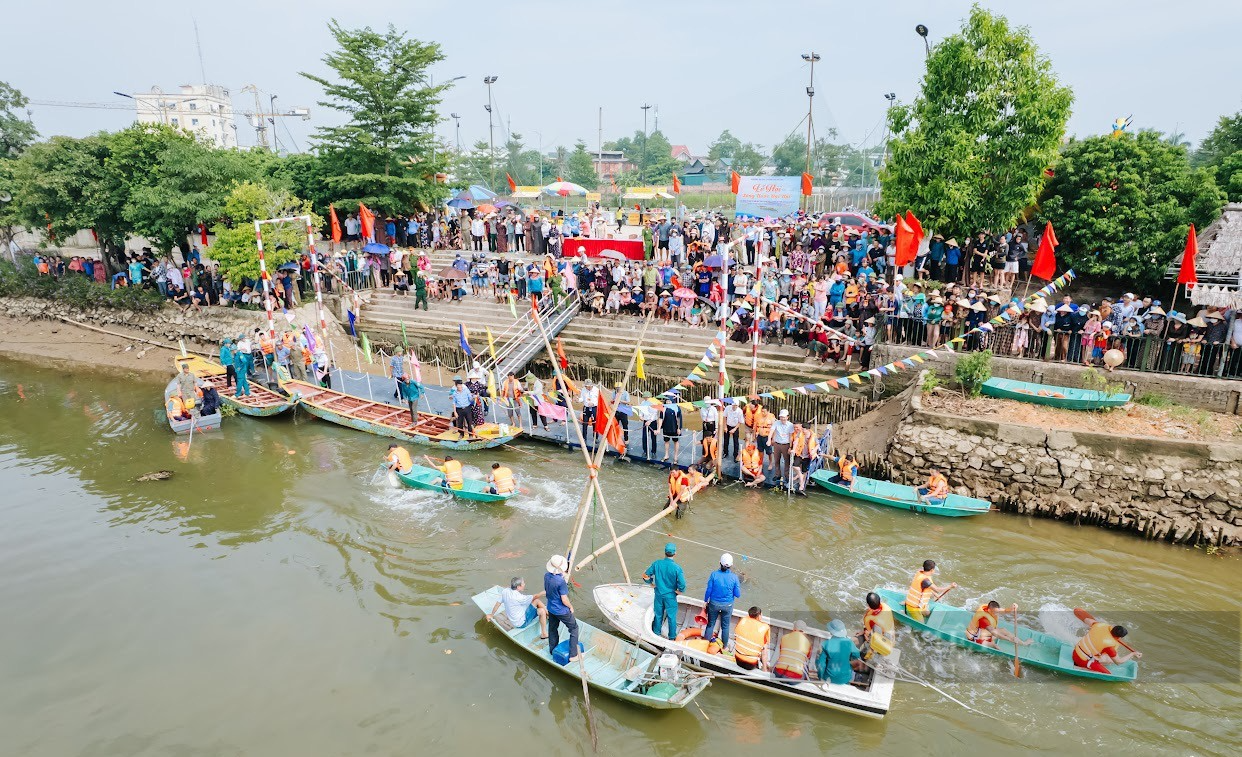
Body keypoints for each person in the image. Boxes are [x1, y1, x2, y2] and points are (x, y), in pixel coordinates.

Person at [643, 542, 686, 640]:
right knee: (671, 617)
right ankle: (672, 637)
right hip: (670, 596)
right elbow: (682, 584)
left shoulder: (657, 563)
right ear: (675, 553)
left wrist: (651, 583)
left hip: (658, 594)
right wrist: (680, 591)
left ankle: (656, 633)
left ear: (665, 552)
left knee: (658, 614)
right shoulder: (677, 568)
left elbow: (645, 575)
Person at [544, 555, 581, 663]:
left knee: (552, 629)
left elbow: (548, 588)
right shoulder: (560, 582)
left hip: (551, 607)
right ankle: (573, 655)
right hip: (561, 610)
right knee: (574, 628)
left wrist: (562, 575)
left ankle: (552, 650)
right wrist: (570, 606)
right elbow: (564, 599)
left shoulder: (546, 576)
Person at [703, 553, 741, 650]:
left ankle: (705, 644)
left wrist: (705, 601)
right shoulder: (734, 577)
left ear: (719, 562)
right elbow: (738, 594)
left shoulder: (714, 575)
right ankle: (724, 647)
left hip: (714, 604)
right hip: (727, 605)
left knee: (710, 624)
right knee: (725, 626)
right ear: (731, 565)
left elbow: (708, 590)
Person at [1073, 620, 1141, 674]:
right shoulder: (1109, 646)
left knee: (1109, 660)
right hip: (1081, 660)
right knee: (1107, 673)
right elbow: (1118, 662)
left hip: (1076, 651)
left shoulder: (1098, 625)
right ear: (1119, 637)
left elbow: (1087, 620)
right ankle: (1079, 668)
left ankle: (1090, 664)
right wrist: (1133, 654)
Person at [966, 600, 1033, 648]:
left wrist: (1012, 608)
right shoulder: (983, 619)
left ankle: (1024, 643)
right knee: (994, 645)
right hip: (975, 638)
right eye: (995, 612)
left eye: (997, 612)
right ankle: (993, 646)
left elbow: (1005, 611)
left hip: (984, 633)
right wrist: (1010, 639)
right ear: (989, 610)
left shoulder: (992, 609)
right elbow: (994, 632)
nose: (997, 614)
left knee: (1003, 630)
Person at [817, 619, 865, 685]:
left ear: (831, 632)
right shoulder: (849, 642)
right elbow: (856, 655)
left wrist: (820, 677)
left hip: (829, 678)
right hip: (846, 677)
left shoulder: (825, 644)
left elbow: (821, 665)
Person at [733, 606, 771, 671]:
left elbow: (736, 637)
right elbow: (764, 652)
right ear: (759, 616)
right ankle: (764, 668)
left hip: (738, 660)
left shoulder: (742, 620)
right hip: (751, 664)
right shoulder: (765, 627)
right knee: (764, 647)